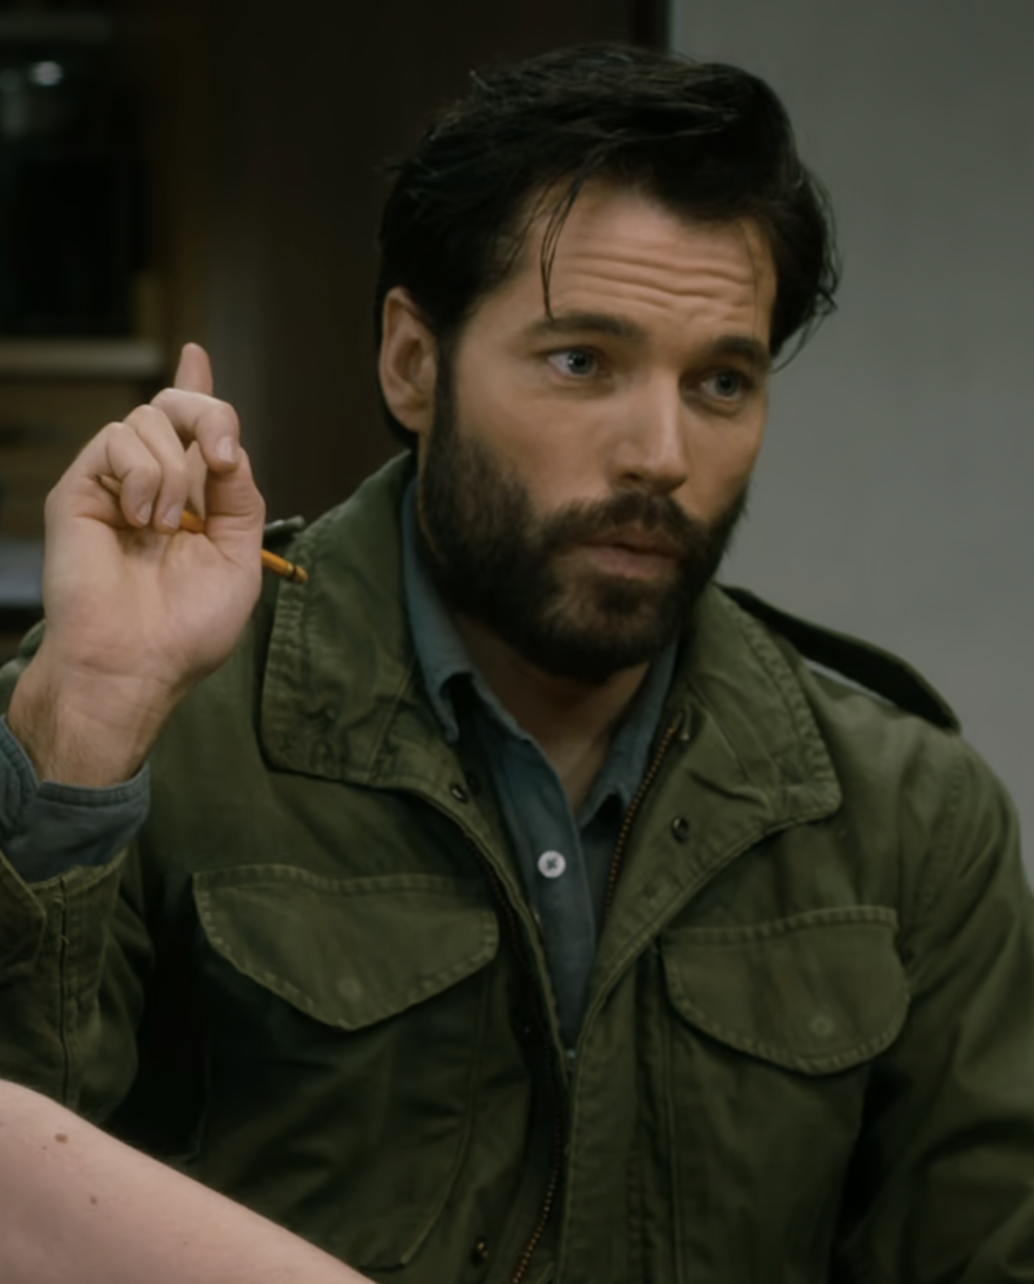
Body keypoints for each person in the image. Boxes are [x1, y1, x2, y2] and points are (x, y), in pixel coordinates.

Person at [1, 41, 1033, 1284]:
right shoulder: (159, 726)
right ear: (412, 363)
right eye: (581, 361)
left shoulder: (904, 813)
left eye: (720, 381)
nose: (660, 453)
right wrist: (88, 723)